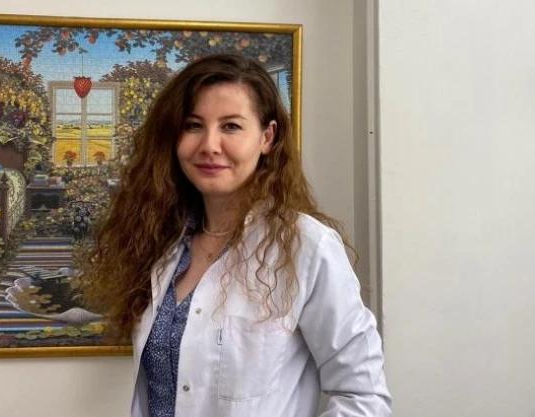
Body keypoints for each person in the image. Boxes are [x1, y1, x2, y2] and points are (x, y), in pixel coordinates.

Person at [75, 53, 391, 417]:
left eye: (231, 126)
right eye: (194, 125)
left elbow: (363, 398)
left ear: (267, 137)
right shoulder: (162, 243)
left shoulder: (307, 246)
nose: (209, 145)